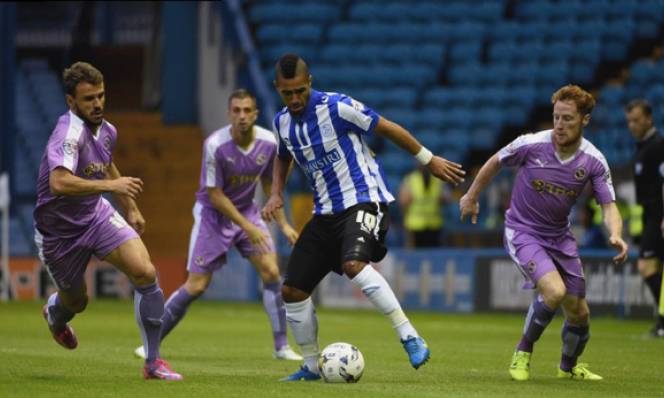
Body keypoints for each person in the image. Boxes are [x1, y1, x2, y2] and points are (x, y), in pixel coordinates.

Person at [262, 53, 466, 381]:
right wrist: (275, 193)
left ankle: (410, 335)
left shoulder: (337, 107)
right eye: (288, 93)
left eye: (300, 90)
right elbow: (282, 157)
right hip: (326, 212)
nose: (296, 98)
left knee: (354, 265)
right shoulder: (282, 123)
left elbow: (387, 127)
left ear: (310, 82)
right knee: (292, 291)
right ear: (278, 89)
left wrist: (428, 160)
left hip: (365, 200)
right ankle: (312, 366)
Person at [460, 85, 628, 381]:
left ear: (585, 120)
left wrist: (615, 233)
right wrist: (471, 196)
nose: (559, 126)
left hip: (560, 237)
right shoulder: (530, 144)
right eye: (556, 118)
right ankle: (522, 352)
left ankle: (568, 367)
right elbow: (494, 162)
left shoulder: (594, 161)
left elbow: (609, 205)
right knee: (554, 291)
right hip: (522, 231)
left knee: (580, 314)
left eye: (568, 119)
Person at [33, 62, 182, 380]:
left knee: (145, 271)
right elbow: (59, 183)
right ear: (71, 102)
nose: (98, 103)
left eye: (100, 96)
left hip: (96, 215)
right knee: (77, 301)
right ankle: (56, 315)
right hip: (59, 234)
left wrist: (130, 207)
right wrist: (112, 187)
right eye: (89, 99)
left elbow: (107, 165)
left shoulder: (107, 130)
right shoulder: (67, 134)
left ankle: (153, 363)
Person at [134, 89, 303, 361]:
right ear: (229, 114)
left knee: (272, 272)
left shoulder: (270, 143)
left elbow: (271, 186)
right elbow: (215, 194)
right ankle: (150, 343)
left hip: (248, 212)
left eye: (247, 111)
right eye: (236, 111)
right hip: (213, 216)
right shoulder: (215, 145)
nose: (242, 116)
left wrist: (283, 224)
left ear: (256, 114)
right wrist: (247, 227)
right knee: (197, 285)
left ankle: (281, 347)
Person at [624, 99, 664, 337]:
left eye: (636, 120)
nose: (632, 125)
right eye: (629, 121)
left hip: (659, 215)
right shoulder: (644, 147)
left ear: (649, 119)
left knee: (647, 266)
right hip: (652, 215)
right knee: (655, 267)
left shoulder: (658, 146)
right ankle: (661, 322)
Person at [398, 163, 450, 248]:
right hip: (415, 225)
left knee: (434, 254)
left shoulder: (438, 180)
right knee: (416, 255)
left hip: (435, 224)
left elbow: (447, 199)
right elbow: (403, 202)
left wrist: (442, 198)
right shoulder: (410, 179)